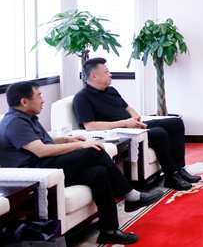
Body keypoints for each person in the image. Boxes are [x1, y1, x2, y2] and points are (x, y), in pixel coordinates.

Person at [0, 81, 161, 245]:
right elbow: (41, 150)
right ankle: (130, 195)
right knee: (93, 151)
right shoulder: (15, 122)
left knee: (99, 172)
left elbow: (41, 141)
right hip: (38, 173)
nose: (43, 99)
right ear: (24, 101)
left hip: (47, 165)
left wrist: (67, 139)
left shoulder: (27, 117)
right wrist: (79, 145)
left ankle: (109, 231)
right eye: (38, 95)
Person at [72, 58, 200, 191]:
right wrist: (125, 123)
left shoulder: (111, 90)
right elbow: (90, 126)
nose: (110, 74)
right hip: (120, 133)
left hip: (133, 126)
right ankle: (171, 176)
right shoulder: (82, 98)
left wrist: (136, 119)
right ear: (94, 76)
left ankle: (180, 168)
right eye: (106, 72)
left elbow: (127, 108)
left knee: (176, 122)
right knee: (159, 133)